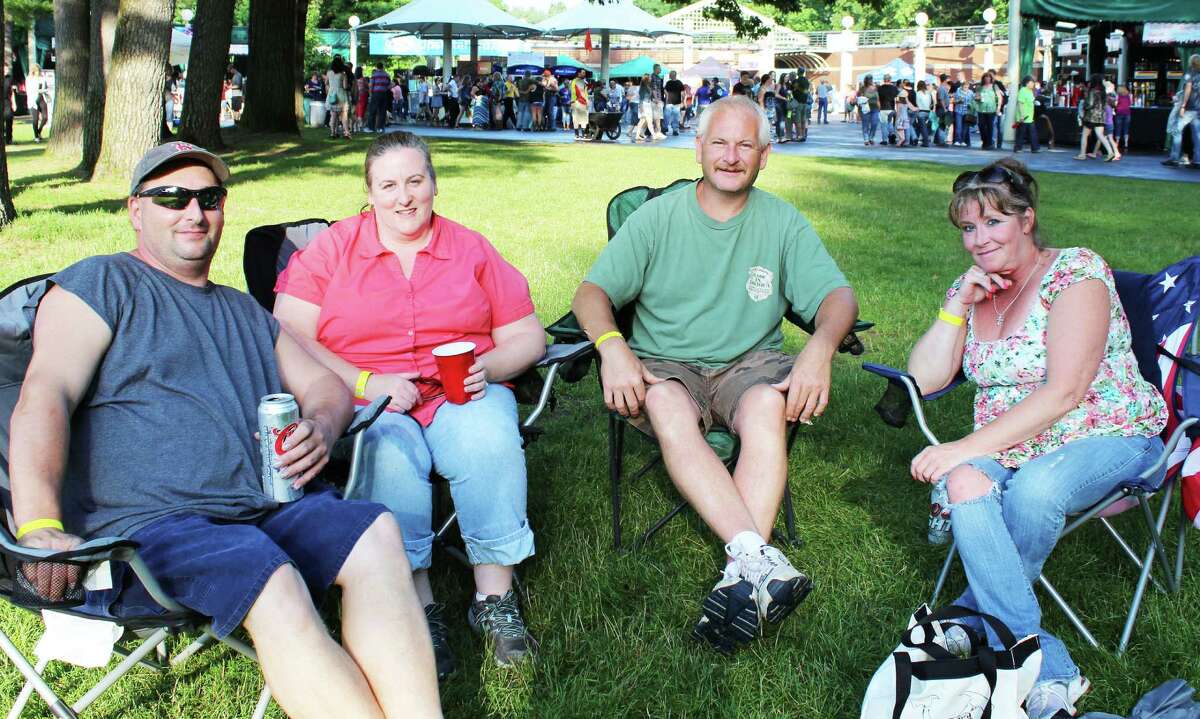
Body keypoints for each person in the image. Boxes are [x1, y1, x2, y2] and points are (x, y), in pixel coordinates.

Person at [9, 141, 443, 718]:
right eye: (172, 197)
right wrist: (39, 525)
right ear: (136, 210)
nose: (194, 212)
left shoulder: (242, 309)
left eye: (209, 197)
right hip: (152, 528)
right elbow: (45, 395)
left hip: (264, 505)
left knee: (377, 535)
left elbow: (328, 388)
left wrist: (319, 422)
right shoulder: (101, 283)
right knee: (271, 576)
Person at [572, 95, 859, 654]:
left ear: (765, 155)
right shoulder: (659, 216)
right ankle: (759, 563)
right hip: (666, 364)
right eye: (719, 143)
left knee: (766, 406)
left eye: (745, 145)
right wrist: (612, 347)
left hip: (749, 364)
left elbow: (836, 296)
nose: (731, 156)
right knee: (668, 406)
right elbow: (592, 294)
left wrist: (820, 348)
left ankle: (743, 575)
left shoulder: (780, 221)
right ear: (698, 147)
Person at [272, 131, 544, 677]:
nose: (404, 197)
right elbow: (287, 332)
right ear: (369, 193)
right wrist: (365, 381)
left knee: (487, 436)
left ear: (434, 185)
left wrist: (481, 372)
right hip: (367, 397)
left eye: (415, 181)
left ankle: (494, 601)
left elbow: (529, 337)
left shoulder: (469, 247)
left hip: (458, 393)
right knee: (389, 453)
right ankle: (417, 605)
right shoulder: (332, 249)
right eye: (389, 185)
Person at [904, 158, 1167, 719]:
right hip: (1012, 443)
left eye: (993, 223)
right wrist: (956, 308)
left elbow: (1066, 391)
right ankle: (1047, 664)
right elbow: (923, 380)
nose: (978, 240)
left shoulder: (1076, 271)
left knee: (1033, 491)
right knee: (966, 481)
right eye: (968, 229)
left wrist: (960, 446)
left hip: (1109, 432)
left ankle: (967, 618)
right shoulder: (972, 287)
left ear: (1027, 219)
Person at [1163, 54, 1200, 168]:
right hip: (1198, 109)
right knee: (1197, 136)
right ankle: (1198, 160)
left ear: (1191, 62)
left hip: (1189, 108)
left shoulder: (1190, 73)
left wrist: (1183, 105)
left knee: (1177, 131)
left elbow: (1188, 89)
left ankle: (1174, 158)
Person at [1075, 74, 1118, 161]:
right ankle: (1110, 152)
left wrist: (1085, 106)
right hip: (1101, 116)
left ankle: (1082, 154)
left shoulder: (1092, 91)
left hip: (1091, 116)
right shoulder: (1103, 92)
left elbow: (1090, 104)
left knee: (1084, 135)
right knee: (1101, 135)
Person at [1013, 75, 1041, 154]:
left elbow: (1031, 101)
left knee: (1032, 132)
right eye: (1031, 83)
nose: (1033, 84)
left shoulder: (1030, 91)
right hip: (1023, 116)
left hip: (1030, 116)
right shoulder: (1022, 90)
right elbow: (1020, 103)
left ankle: (1035, 148)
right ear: (1027, 83)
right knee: (1021, 133)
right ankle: (1018, 148)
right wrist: (1022, 115)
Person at [326, 57, 351, 139]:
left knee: (333, 116)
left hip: (332, 96)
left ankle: (333, 133)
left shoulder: (329, 73)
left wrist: (331, 87)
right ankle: (346, 133)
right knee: (344, 116)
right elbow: (345, 86)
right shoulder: (343, 74)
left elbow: (326, 83)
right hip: (341, 96)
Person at [975, 74, 999, 150]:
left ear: (991, 79)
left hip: (991, 109)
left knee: (990, 127)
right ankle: (985, 141)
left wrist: (998, 108)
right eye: (985, 78)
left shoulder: (994, 87)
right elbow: (976, 97)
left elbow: (999, 97)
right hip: (981, 109)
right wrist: (979, 98)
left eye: (988, 78)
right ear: (983, 79)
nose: (987, 80)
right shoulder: (979, 87)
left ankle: (989, 143)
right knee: (981, 126)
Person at [26, 64, 50, 143]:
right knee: (35, 119)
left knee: (45, 117)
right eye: (37, 71)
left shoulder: (42, 78)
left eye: (39, 71)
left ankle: (39, 132)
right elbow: (29, 90)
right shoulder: (29, 79)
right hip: (33, 100)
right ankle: (36, 136)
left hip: (41, 98)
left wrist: (46, 91)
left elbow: (46, 88)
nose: (38, 73)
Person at [368, 62, 391, 133]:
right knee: (382, 111)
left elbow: (371, 85)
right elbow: (389, 85)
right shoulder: (387, 75)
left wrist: (371, 94)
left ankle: (371, 128)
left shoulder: (374, 75)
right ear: (383, 67)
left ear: (377, 67)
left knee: (372, 111)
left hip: (375, 93)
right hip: (384, 94)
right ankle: (380, 128)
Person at [877, 74, 898, 144]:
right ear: (890, 79)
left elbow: (878, 99)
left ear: (884, 79)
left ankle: (884, 140)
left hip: (883, 108)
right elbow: (897, 98)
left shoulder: (880, 88)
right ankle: (892, 133)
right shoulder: (894, 88)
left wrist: (878, 108)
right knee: (889, 123)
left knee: (884, 125)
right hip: (891, 108)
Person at [570, 68, 590, 141]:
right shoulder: (576, 81)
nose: (584, 74)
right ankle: (581, 135)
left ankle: (579, 135)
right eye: (583, 73)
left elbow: (584, 92)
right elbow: (576, 92)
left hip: (579, 102)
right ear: (578, 73)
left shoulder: (579, 81)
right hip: (578, 102)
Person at [663, 70, 684, 136]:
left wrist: (682, 101)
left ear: (673, 75)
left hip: (676, 103)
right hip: (669, 102)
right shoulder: (668, 82)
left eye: (670, 74)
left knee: (675, 117)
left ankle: (675, 130)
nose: (669, 75)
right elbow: (665, 90)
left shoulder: (679, 82)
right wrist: (667, 97)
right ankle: (665, 128)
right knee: (667, 116)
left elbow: (682, 92)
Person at [1113, 84, 1132, 155]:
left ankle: (1117, 143)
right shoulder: (1129, 95)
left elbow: (1115, 104)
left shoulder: (1118, 96)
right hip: (1127, 113)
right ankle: (1126, 143)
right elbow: (1130, 103)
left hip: (1119, 113)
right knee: (1126, 128)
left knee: (1118, 128)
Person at [914, 80, 934, 147]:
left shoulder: (918, 93)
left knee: (922, 128)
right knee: (919, 126)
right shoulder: (928, 93)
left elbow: (916, 102)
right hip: (928, 112)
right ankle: (915, 140)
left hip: (920, 111)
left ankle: (925, 142)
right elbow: (931, 103)